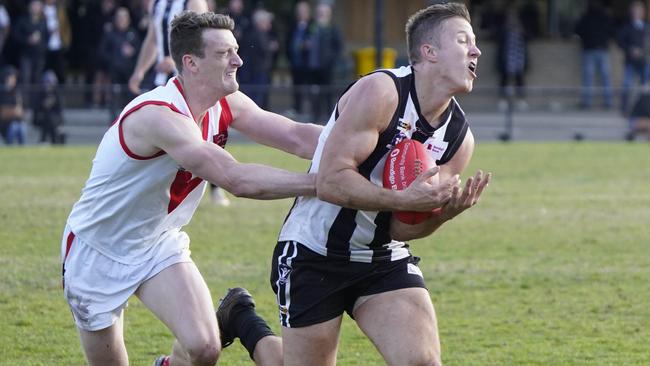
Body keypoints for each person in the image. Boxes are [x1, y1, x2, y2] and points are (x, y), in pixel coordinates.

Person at [60, 11, 322, 366]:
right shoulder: (159, 115)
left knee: (204, 348)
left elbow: (296, 135)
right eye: (224, 53)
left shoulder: (225, 102)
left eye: (236, 50)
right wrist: (321, 184)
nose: (238, 60)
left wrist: (368, 141)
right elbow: (235, 178)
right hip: (98, 250)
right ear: (191, 63)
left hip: (157, 242)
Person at [271, 4, 491, 365]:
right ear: (429, 52)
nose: (476, 51)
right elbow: (329, 182)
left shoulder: (459, 138)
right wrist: (402, 196)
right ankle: (246, 325)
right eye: (463, 40)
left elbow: (401, 224)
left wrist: (439, 215)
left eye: (475, 42)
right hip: (314, 253)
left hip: (382, 258)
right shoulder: (380, 92)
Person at [128, 0, 230, 206]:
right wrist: (139, 70)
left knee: (200, 137)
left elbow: (205, 42)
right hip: (164, 83)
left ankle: (218, 186)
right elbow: (153, 38)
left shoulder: (193, 2)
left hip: (189, 83)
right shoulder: (157, 3)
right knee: (168, 140)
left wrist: (175, 61)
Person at [575, 0, 614, 110]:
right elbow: (612, 32)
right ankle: (608, 101)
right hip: (600, 49)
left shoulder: (586, 16)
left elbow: (577, 31)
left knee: (589, 77)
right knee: (604, 77)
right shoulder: (604, 16)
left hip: (591, 50)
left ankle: (587, 102)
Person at [307, 3, 342, 121]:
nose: (321, 15)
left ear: (329, 14)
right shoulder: (311, 27)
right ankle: (315, 115)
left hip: (327, 67)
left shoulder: (333, 29)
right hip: (313, 66)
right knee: (314, 92)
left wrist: (331, 59)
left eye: (324, 12)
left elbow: (338, 47)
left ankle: (329, 116)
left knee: (328, 92)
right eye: (319, 12)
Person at [617, 0, 648, 115]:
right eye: (635, 10)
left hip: (644, 62)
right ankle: (624, 109)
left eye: (639, 10)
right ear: (631, 12)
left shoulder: (647, 28)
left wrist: (643, 51)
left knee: (646, 86)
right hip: (630, 62)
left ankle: (645, 109)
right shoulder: (627, 28)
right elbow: (620, 42)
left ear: (643, 12)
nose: (637, 12)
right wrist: (630, 49)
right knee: (626, 85)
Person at [285, 1, 312, 117]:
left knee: (309, 86)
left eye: (304, 11)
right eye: (299, 11)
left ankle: (311, 110)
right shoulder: (293, 25)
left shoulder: (312, 25)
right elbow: (288, 42)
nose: (301, 13)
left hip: (308, 63)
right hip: (295, 62)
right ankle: (297, 107)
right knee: (296, 85)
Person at [32, 69, 64, 144]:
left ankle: (43, 140)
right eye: (47, 82)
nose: (48, 84)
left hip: (54, 120)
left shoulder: (57, 94)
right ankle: (52, 141)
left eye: (50, 82)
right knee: (48, 118)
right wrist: (44, 105)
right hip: (41, 118)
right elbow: (36, 110)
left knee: (50, 119)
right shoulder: (39, 93)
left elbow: (59, 111)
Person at [0, 65, 25, 145]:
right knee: (13, 128)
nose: (13, 80)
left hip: (17, 122)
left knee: (22, 127)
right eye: (11, 77)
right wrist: (13, 111)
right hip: (4, 124)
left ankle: (22, 150)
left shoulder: (16, 92)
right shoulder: (2, 92)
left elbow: (20, 112)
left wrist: (14, 111)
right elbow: (3, 113)